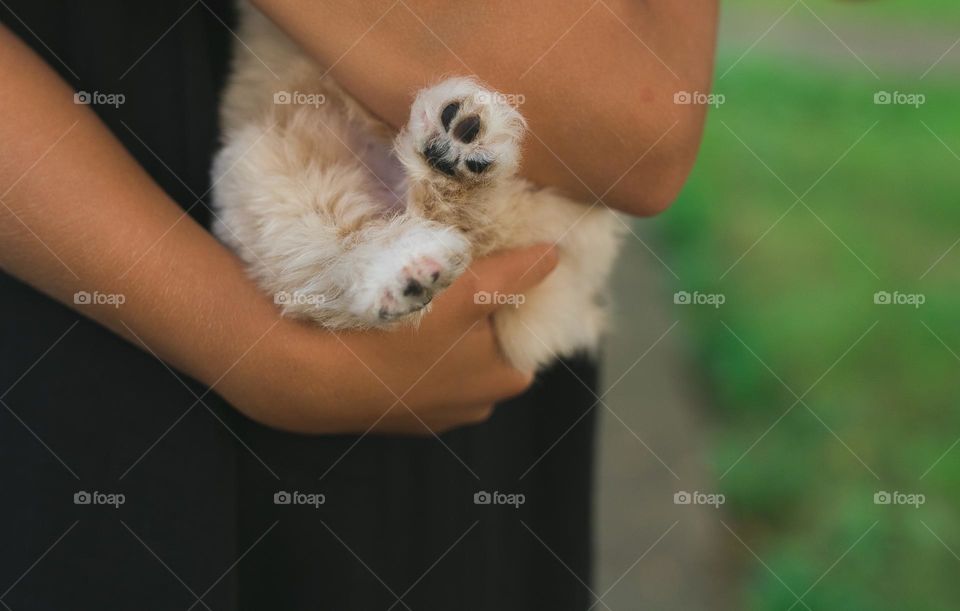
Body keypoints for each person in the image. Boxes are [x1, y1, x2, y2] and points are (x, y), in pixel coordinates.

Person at [0, 1, 716, 609]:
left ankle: (433, 208)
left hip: (435, 361)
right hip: (76, 267)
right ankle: (400, 231)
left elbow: (645, 137)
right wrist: (256, 348)